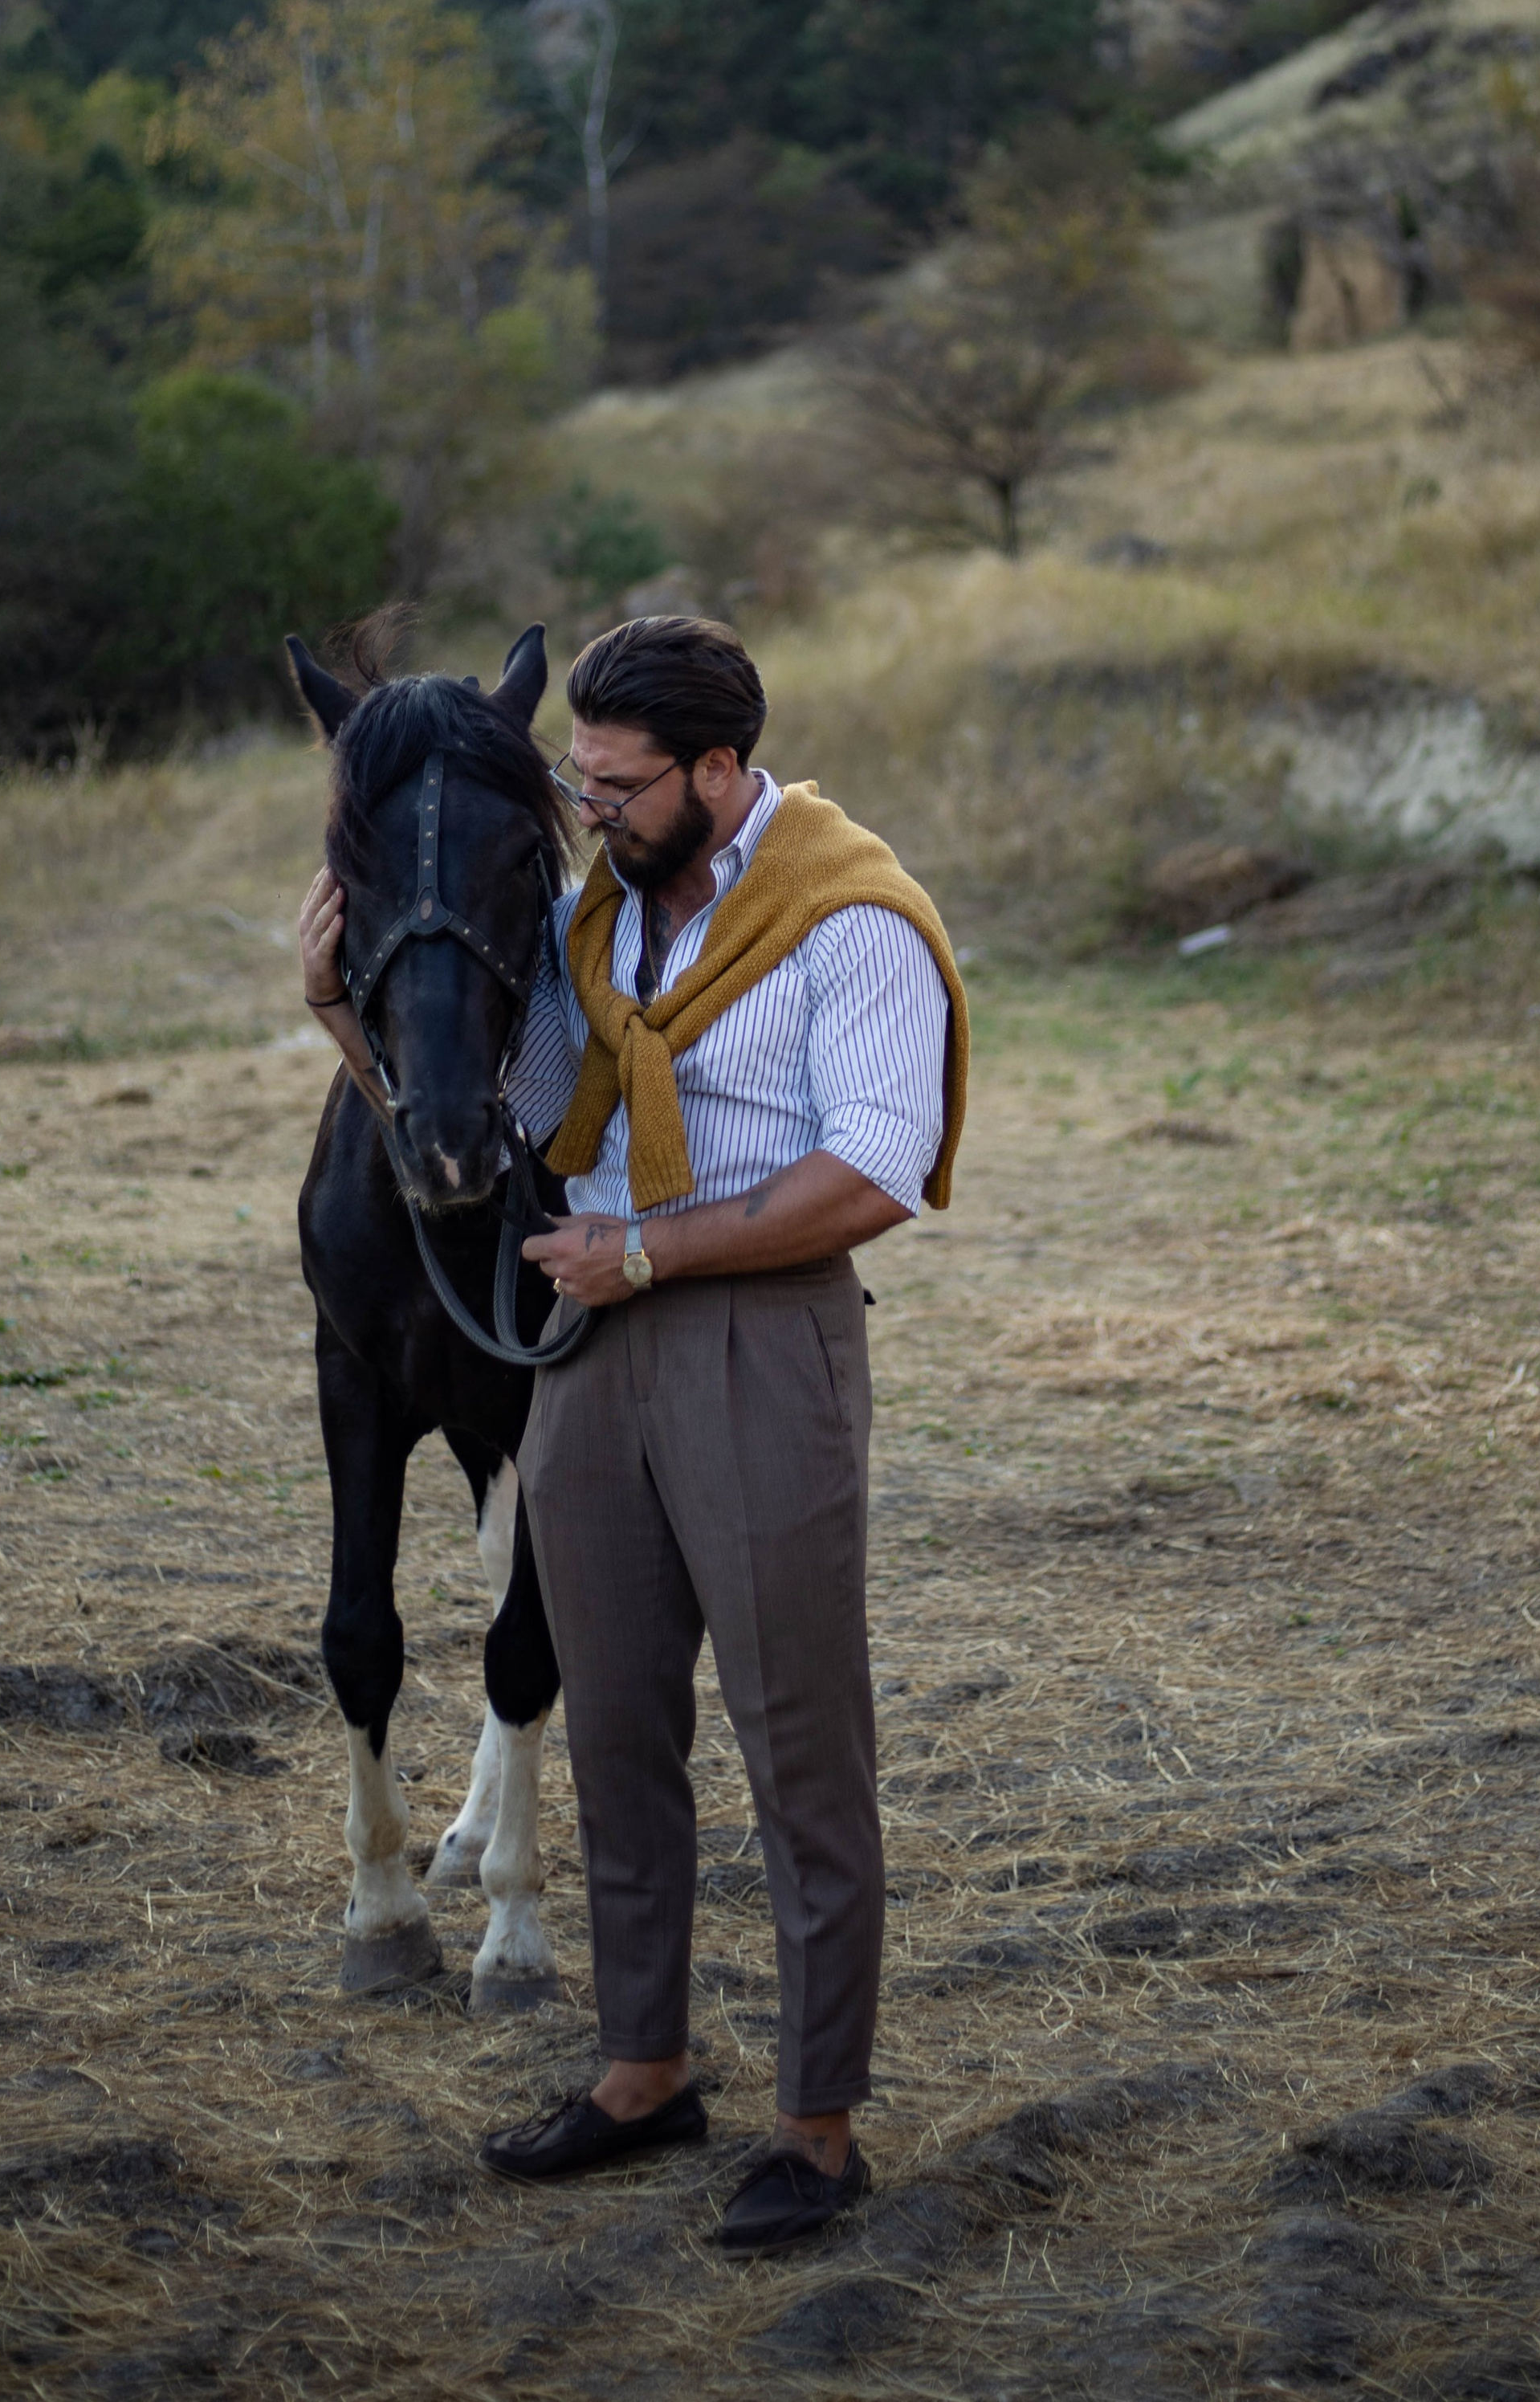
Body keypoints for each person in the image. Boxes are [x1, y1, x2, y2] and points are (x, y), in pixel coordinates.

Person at [302, 615, 967, 2253]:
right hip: (589, 1346)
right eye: (575, 780)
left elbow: (875, 1172)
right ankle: (640, 2067)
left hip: (754, 1336)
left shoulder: (851, 920)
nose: (585, 809)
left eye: (611, 784)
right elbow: (519, 1112)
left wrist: (656, 1249)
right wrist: (335, 1012)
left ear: (717, 771)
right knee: (610, 1733)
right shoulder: (597, 924)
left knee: (796, 1747)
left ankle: (815, 2127)